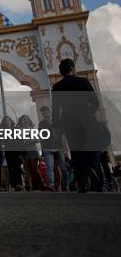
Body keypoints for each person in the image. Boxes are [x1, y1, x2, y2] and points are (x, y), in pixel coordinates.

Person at [52, 58, 100, 193]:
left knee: (75, 151)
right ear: (72, 68)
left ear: (61, 72)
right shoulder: (83, 82)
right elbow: (95, 102)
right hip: (86, 121)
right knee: (91, 147)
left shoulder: (57, 87)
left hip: (68, 123)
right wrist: (87, 115)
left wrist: (56, 127)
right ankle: (90, 168)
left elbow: (55, 109)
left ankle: (81, 184)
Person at [38, 105, 68, 191]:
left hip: (59, 147)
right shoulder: (41, 123)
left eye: (46, 111)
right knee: (49, 167)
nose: (44, 113)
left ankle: (64, 184)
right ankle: (51, 185)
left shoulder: (57, 121)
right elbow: (41, 137)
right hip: (47, 148)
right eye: (43, 112)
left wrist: (66, 149)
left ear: (49, 111)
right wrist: (42, 149)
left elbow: (63, 135)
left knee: (63, 167)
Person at [16, 115, 44, 191]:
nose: (25, 120)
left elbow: (38, 139)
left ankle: (41, 183)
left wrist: (28, 140)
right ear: (21, 121)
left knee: (34, 169)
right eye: (23, 119)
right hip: (24, 151)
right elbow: (19, 141)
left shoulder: (32, 129)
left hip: (33, 150)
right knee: (27, 169)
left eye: (27, 119)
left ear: (29, 120)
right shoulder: (19, 130)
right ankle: (29, 186)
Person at [1, 116, 23, 191]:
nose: (7, 122)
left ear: (11, 122)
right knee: (11, 169)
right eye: (5, 121)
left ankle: (19, 184)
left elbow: (20, 141)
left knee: (17, 168)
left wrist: (20, 152)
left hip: (16, 152)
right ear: (3, 123)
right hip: (8, 152)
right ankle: (13, 185)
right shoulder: (2, 132)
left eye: (8, 120)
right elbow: (2, 143)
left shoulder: (15, 130)